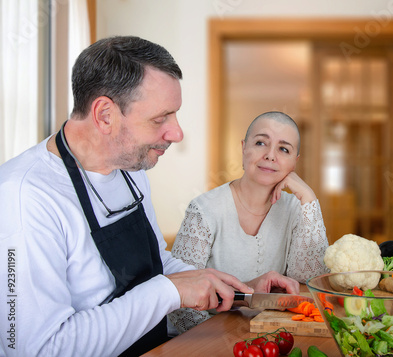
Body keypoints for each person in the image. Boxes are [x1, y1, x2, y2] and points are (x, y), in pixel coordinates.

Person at [0, 36, 299, 357]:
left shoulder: (129, 167)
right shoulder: (24, 198)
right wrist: (169, 291)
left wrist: (238, 289)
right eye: (160, 118)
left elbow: (157, 261)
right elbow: (36, 350)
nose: (177, 133)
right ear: (104, 115)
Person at [169, 111, 329, 332]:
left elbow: (309, 282)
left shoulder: (295, 208)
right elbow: (179, 303)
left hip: (268, 334)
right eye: (261, 143)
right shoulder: (205, 210)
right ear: (244, 148)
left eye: (284, 149)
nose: (270, 155)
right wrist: (223, 341)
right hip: (208, 339)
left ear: (295, 161)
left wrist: (308, 198)